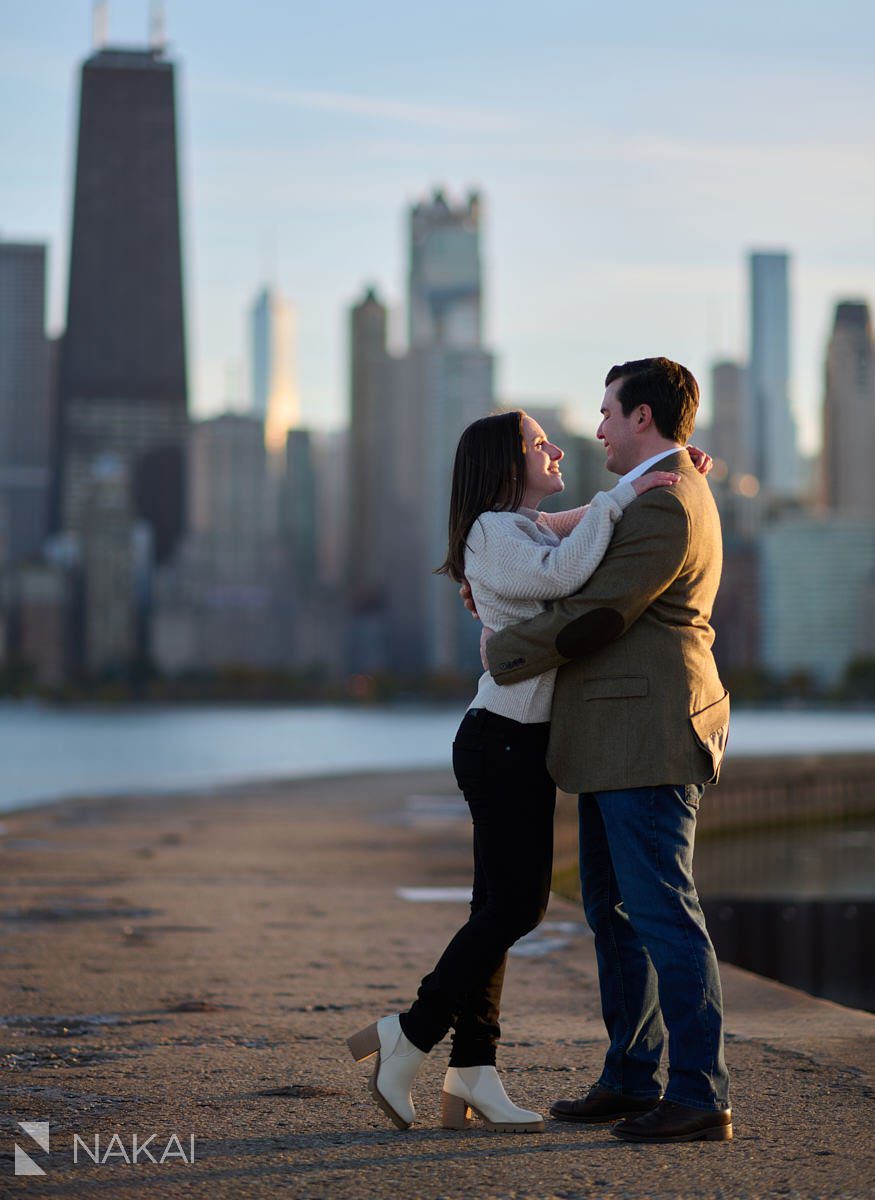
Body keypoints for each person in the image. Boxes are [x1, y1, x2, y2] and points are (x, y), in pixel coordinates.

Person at [347, 409, 687, 1133]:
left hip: (518, 745)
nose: (556, 447)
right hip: (501, 742)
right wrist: (622, 498)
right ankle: (407, 1034)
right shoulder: (493, 534)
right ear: (506, 464)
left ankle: (473, 1070)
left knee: (493, 907)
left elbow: (565, 531)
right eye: (538, 443)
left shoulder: (519, 527)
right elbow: (566, 569)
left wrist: (659, 475)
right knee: (518, 907)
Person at [480, 358, 732, 1144]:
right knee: (614, 914)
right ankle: (630, 1076)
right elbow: (582, 551)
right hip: (613, 742)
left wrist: (500, 647)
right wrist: (502, 575)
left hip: (648, 738)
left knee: (662, 914)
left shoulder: (668, 506)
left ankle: (698, 1092)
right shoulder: (659, 488)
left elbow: (596, 613)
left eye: (606, 414)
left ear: (643, 421)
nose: (596, 431)